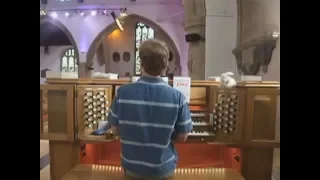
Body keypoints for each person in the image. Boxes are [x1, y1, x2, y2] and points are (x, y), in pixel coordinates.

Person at [107, 39, 193, 179]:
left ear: (141, 62)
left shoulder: (122, 93)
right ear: (165, 65)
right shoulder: (178, 97)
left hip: (132, 169)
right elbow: (183, 137)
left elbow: (115, 130)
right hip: (163, 169)